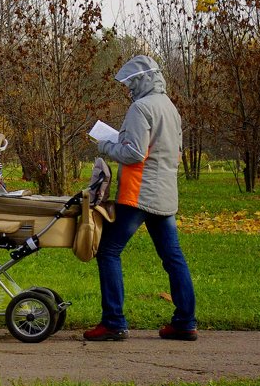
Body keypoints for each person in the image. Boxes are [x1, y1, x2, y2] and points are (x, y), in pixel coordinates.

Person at [84, 54, 198, 342]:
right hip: (165, 194)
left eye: (131, 82)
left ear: (143, 79)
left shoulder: (141, 108)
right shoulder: (170, 108)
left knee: (108, 250)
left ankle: (113, 322)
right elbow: (173, 151)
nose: (129, 88)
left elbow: (134, 153)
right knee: (173, 258)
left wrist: (106, 145)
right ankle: (185, 322)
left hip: (138, 194)